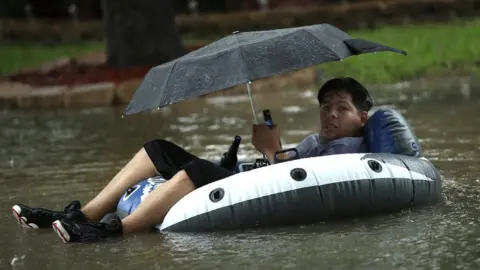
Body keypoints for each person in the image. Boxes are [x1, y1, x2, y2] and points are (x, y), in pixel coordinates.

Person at [11, 76, 373, 243]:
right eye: (326, 108)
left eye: (342, 108)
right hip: (249, 182)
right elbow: (280, 168)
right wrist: (265, 150)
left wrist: (268, 150)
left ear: (362, 117)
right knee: (158, 149)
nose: (331, 115)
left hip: (258, 194)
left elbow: (300, 185)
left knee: (195, 170)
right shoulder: (315, 140)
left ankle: (113, 231)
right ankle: (80, 214)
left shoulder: (351, 150)